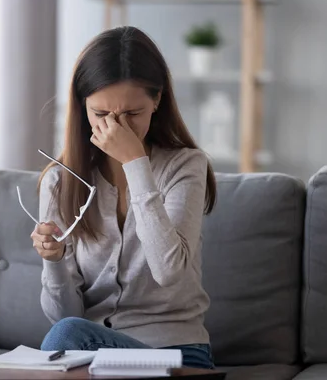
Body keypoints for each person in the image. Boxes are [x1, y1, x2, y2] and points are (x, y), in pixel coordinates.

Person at [30, 26, 217, 370]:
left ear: (157, 101)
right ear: (82, 106)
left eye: (133, 114)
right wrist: (54, 260)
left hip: (176, 353)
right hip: (92, 354)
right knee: (67, 332)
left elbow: (169, 273)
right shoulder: (60, 180)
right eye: (100, 115)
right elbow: (63, 317)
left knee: (67, 336)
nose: (118, 128)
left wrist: (135, 163)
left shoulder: (185, 166)